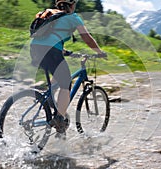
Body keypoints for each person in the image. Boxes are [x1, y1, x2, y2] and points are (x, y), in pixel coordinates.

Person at [30, 0, 106, 134]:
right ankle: (59, 118)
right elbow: (87, 38)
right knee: (66, 83)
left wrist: (64, 51)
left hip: (35, 49)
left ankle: (49, 98)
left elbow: (49, 37)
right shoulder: (73, 17)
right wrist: (100, 52)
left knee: (58, 75)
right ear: (72, 4)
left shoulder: (52, 14)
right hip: (51, 51)